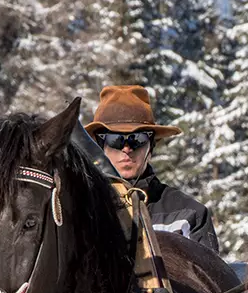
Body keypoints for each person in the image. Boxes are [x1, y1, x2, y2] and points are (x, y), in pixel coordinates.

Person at [85, 85, 221, 255]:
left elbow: (211, 279)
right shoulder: (82, 211)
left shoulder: (190, 215)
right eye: (116, 140)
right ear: (100, 146)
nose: (127, 149)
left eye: (137, 139)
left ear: (151, 147)